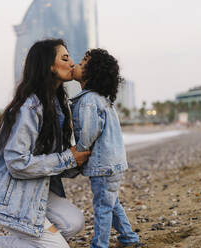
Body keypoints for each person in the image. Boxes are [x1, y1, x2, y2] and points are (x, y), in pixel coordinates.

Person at [0, 39, 91, 248]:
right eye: (65, 58)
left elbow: (53, 161)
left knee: (73, 223)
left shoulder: (57, 106)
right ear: (49, 65)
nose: (72, 63)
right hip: (10, 197)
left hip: (35, 190)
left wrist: (76, 162)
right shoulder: (30, 107)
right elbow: (17, 163)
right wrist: (68, 158)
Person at [70, 49, 141, 248]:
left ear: (90, 74)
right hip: (114, 163)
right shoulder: (101, 99)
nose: (76, 64)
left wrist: (79, 152)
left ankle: (99, 245)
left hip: (103, 165)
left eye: (82, 64)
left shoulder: (89, 100)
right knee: (111, 202)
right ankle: (128, 238)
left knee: (103, 206)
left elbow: (89, 132)